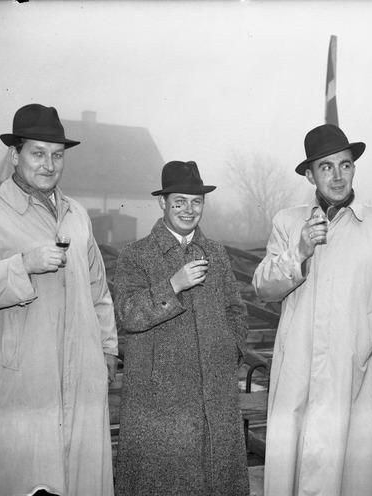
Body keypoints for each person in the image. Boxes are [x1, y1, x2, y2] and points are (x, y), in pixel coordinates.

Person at [0, 103, 118, 496]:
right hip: (17, 380)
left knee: (78, 477)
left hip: (80, 372)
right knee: (21, 478)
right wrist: (23, 265)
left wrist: (107, 349)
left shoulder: (77, 215)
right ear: (15, 155)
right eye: (38, 153)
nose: (49, 165)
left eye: (57, 155)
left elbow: (98, 290)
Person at [253, 124, 372, 495]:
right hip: (299, 368)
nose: (337, 176)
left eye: (345, 165)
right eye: (326, 167)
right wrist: (299, 251)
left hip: (355, 369)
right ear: (310, 175)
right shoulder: (288, 222)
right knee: (295, 464)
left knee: (351, 472)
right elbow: (262, 288)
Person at [113, 161, 249, 496]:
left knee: (216, 480)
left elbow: (236, 310)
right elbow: (128, 314)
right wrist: (173, 285)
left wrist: (229, 351)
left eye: (196, 201)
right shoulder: (136, 255)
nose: (189, 210)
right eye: (179, 202)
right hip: (158, 399)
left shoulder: (216, 253)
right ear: (162, 202)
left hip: (214, 394)